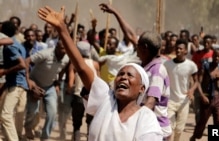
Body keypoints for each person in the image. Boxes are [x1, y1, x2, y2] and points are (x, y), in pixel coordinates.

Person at [37, 5, 163, 141]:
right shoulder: (106, 99)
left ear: (142, 88)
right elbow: (82, 67)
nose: (123, 78)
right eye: (120, 74)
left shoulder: (146, 119)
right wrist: (62, 29)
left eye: (129, 75)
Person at [99, 3, 172, 140]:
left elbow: (150, 102)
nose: (134, 47)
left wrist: (128, 120)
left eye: (137, 46)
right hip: (144, 125)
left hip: (156, 129)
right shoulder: (146, 66)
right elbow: (130, 34)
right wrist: (115, 12)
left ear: (144, 48)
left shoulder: (157, 70)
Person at [24, 39, 69, 140]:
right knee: (33, 111)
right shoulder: (45, 53)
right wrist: (29, 81)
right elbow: (26, 61)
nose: (65, 51)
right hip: (35, 85)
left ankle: (45, 137)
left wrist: (57, 83)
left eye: (66, 49)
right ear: (56, 47)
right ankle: (28, 127)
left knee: (52, 112)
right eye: (62, 48)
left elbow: (62, 69)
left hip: (49, 86)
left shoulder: (66, 58)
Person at [190, 49, 219, 141]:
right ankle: (195, 136)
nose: (216, 58)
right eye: (215, 56)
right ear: (212, 56)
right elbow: (198, 82)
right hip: (207, 98)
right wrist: (202, 96)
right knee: (202, 122)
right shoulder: (205, 67)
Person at [164, 39, 199, 141]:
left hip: (184, 101)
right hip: (170, 100)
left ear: (185, 51)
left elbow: (196, 81)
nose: (178, 50)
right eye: (177, 48)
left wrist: (191, 90)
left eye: (181, 48)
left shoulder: (191, 65)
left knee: (179, 129)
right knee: (170, 128)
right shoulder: (167, 64)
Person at [0, 21, 28, 141]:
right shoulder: (18, 43)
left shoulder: (10, 46)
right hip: (16, 83)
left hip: (16, 84)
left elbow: (22, 65)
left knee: (5, 115)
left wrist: (5, 71)